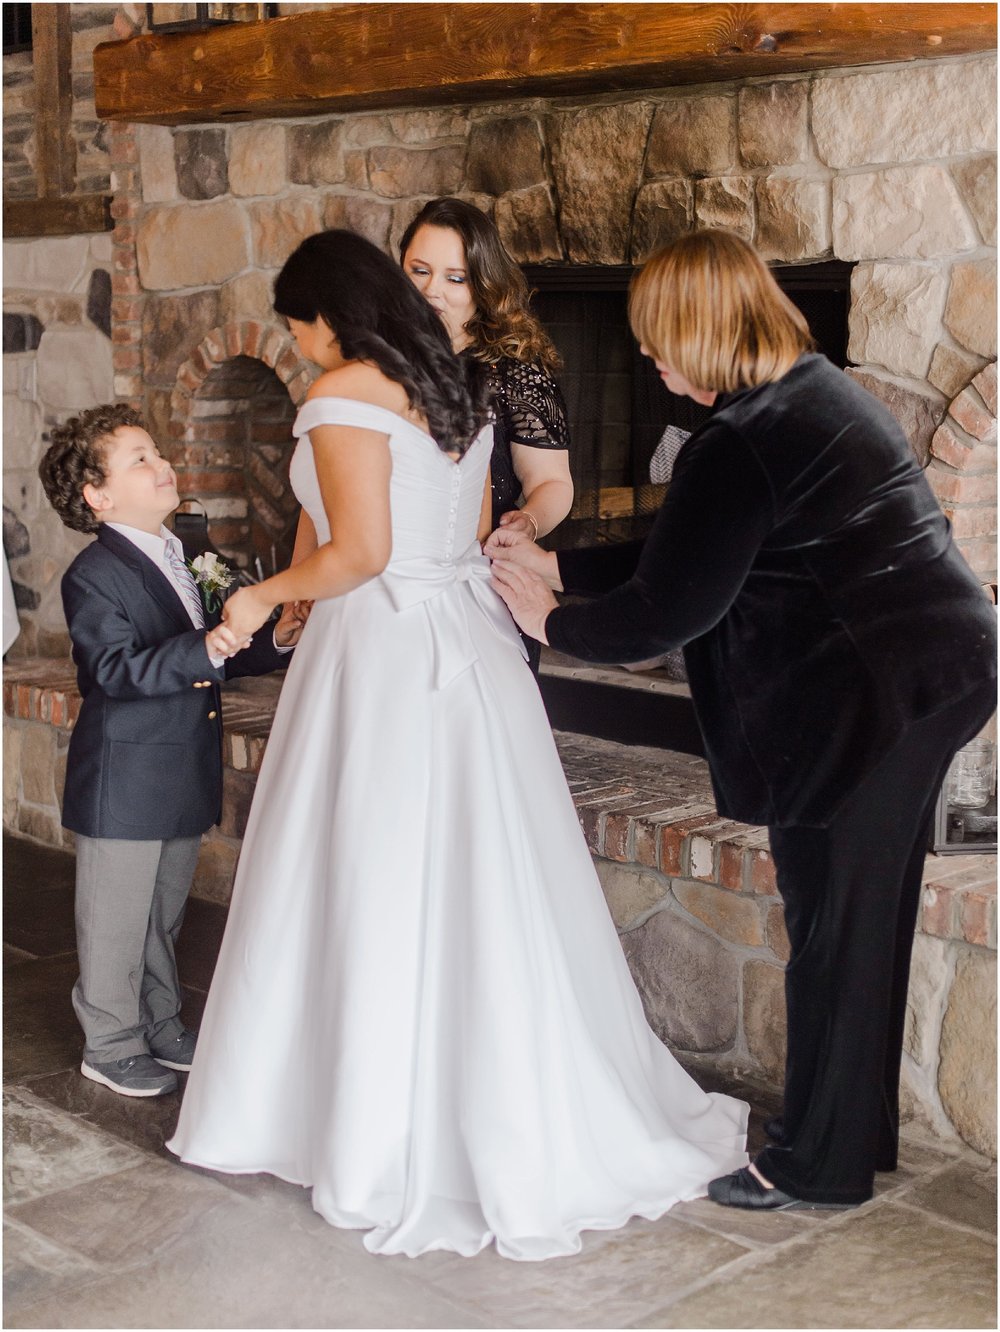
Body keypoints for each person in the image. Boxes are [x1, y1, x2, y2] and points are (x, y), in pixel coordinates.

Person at [166, 229, 747, 1261]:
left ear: (323, 314)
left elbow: (362, 550)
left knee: (369, 874)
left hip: (381, 655)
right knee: (485, 881)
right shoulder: (448, 388)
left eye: (299, 326)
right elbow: (456, 521)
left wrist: (263, 594)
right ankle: (502, 1111)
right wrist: (314, 580)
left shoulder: (341, 391)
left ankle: (363, 1129)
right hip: (464, 645)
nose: (299, 347)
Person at [488, 228, 998, 1213]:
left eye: (657, 339)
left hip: (882, 696)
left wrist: (547, 619)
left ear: (705, 331)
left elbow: (668, 609)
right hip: (927, 671)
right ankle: (851, 1143)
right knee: (857, 923)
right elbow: (693, 545)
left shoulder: (747, 438)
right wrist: (563, 564)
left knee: (833, 929)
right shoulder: (799, 391)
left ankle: (815, 1166)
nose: (646, 357)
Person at [38, 405, 302, 1098]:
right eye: (139, 460)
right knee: (115, 920)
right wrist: (208, 643)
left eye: (157, 451)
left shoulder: (183, 554)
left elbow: (215, 659)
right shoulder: (94, 574)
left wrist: (274, 641)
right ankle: (110, 1040)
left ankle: (159, 1021)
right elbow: (114, 672)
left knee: (162, 913)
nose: (163, 466)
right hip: (124, 777)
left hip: (181, 768)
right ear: (98, 496)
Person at [400, 197, 574, 670]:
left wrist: (531, 520)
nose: (432, 291)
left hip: (484, 589)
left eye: (455, 278)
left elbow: (553, 482)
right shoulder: (376, 365)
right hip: (389, 589)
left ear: (482, 286)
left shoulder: (516, 373)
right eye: (419, 271)